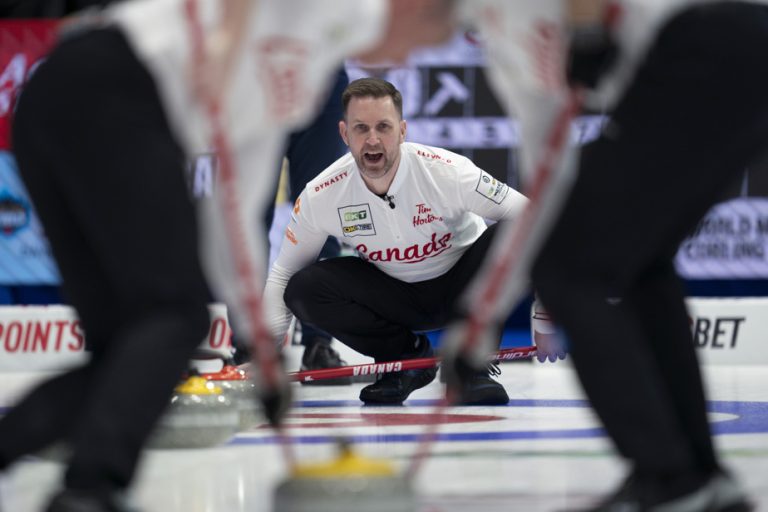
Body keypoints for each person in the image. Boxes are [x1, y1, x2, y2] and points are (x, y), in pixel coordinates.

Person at [0, 1, 457, 510]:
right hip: (113, 88)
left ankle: (75, 483)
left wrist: (260, 346)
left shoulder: (308, 81)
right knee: (172, 319)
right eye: (427, 36)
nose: (414, 56)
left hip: (56, 101)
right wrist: (230, 39)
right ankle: (91, 487)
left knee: (131, 345)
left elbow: (233, 219)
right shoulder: (348, 11)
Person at [453, 0, 759, 510]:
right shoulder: (503, 49)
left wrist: (589, 24)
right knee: (637, 267)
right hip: (728, 63)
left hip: (712, 36)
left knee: (571, 274)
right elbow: (547, 181)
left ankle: (670, 480)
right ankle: (698, 477)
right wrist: (481, 312)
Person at [263, 77, 549, 406]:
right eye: (361, 129)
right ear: (344, 134)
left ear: (402, 131)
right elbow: (283, 272)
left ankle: (471, 366)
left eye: (383, 127)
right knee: (302, 288)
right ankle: (403, 362)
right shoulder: (321, 194)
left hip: (465, 288)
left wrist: (547, 314)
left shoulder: (447, 171)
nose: (372, 140)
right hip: (393, 298)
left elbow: (534, 219)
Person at [262, 69, 354, 385]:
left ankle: (319, 342)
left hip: (321, 82)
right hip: (257, 81)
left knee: (321, 208)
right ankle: (248, 341)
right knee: (248, 215)